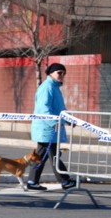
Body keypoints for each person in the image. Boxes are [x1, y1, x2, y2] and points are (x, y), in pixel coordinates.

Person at [27, 63, 76, 191]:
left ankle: (32, 181)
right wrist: (54, 123)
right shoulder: (47, 87)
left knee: (43, 156)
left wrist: (69, 120)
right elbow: (44, 109)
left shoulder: (54, 88)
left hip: (49, 128)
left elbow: (60, 109)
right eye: (59, 73)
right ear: (51, 73)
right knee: (53, 155)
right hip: (47, 128)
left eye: (63, 73)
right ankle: (65, 180)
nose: (62, 75)